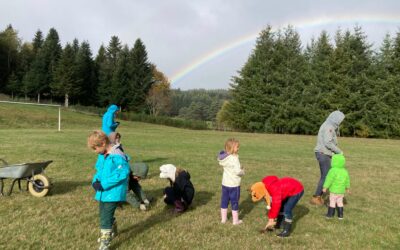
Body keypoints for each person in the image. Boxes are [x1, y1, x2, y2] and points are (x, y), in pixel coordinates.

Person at [87, 130, 130, 250]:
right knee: (103, 213)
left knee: (105, 216)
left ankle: (105, 241)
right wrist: (95, 181)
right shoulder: (102, 155)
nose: (94, 152)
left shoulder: (117, 155)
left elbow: (122, 173)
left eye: (95, 148)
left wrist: (104, 184)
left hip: (113, 192)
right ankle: (112, 228)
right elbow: (99, 170)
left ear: (103, 143)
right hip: (103, 192)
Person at [311, 110, 345, 206]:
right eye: (340, 120)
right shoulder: (329, 127)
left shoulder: (328, 125)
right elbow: (328, 142)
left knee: (325, 176)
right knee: (326, 176)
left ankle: (318, 196)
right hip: (323, 154)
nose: (341, 122)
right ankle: (316, 197)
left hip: (324, 153)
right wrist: (339, 152)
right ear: (336, 119)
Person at [217, 138, 245, 225]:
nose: (238, 148)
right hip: (234, 185)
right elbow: (237, 171)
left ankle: (223, 220)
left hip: (225, 184)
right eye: (237, 147)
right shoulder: (234, 159)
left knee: (224, 201)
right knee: (234, 202)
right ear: (232, 148)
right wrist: (242, 171)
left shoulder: (225, 158)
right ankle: (235, 221)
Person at [323, 153, 350, 219]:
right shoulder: (345, 171)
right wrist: (347, 188)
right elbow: (347, 180)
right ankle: (340, 215)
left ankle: (330, 215)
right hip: (341, 191)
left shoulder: (332, 170)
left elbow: (329, 180)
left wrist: (325, 187)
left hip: (334, 190)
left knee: (332, 202)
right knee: (340, 202)